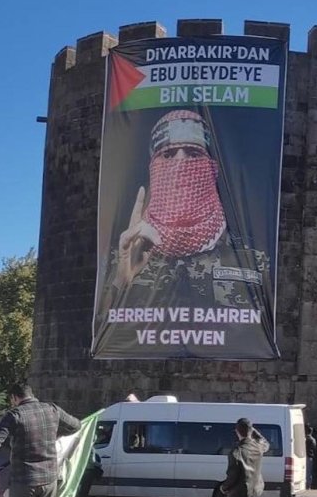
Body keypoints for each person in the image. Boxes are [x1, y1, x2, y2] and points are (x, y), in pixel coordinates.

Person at [95, 110, 270, 338]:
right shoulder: (123, 256)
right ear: (153, 167)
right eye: (168, 155)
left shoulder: (251, 261)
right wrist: (122, 279)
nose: (180, 163)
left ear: (212, 167)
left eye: (193, 153)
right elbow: (101, 333)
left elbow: (258, 337)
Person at [220, 418, 269, 497]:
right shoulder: (258, 447)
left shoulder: (237, 452)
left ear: (237, 431)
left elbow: (233, 475)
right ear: (251, 431)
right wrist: (253, 431)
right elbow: (265, 443)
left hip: (239, 495)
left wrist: (224, 488)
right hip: (255, 490)